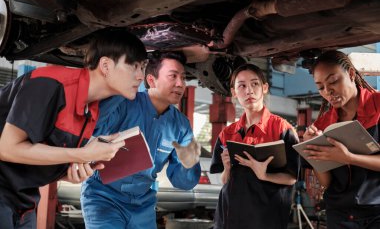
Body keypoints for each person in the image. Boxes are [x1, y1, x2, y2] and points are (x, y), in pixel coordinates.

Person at [0, 29, 148, 229]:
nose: (141, 76)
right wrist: (81, 153)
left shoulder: (91, 111)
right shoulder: (48, 85)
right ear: (106, 65)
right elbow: (7, 149)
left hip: (23, 197)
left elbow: (41, 154)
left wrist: (67, 174)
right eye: (134, 66)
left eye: (143, 67)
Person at [81, 51, 201, 229]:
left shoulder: (181, 125)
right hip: (104, 197)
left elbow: (182, 182)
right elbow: (94, 126)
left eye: (183, 78)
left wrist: (188, 164)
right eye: (173, 76)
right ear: (151, 80)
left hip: (143, 205)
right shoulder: (124, 102)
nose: (180, 84)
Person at [210, 63, 299, 229]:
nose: (248, 90)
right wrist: (227, 168)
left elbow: (292, 177)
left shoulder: (282, 129)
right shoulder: (227, 133)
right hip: (229, 218)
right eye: (241, 86)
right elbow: (224, 181)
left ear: (264, 88)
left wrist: (264, 175)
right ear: (234, 92)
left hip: (265, 218)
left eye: (255, 84)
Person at [302, 50, 380, 229]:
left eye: (333, 81)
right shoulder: (322, 124)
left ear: (351, 74)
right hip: (340, 215)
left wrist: (349, 158)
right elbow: (326, 182)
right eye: (321, 87)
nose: (328, 91)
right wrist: (312, 152)